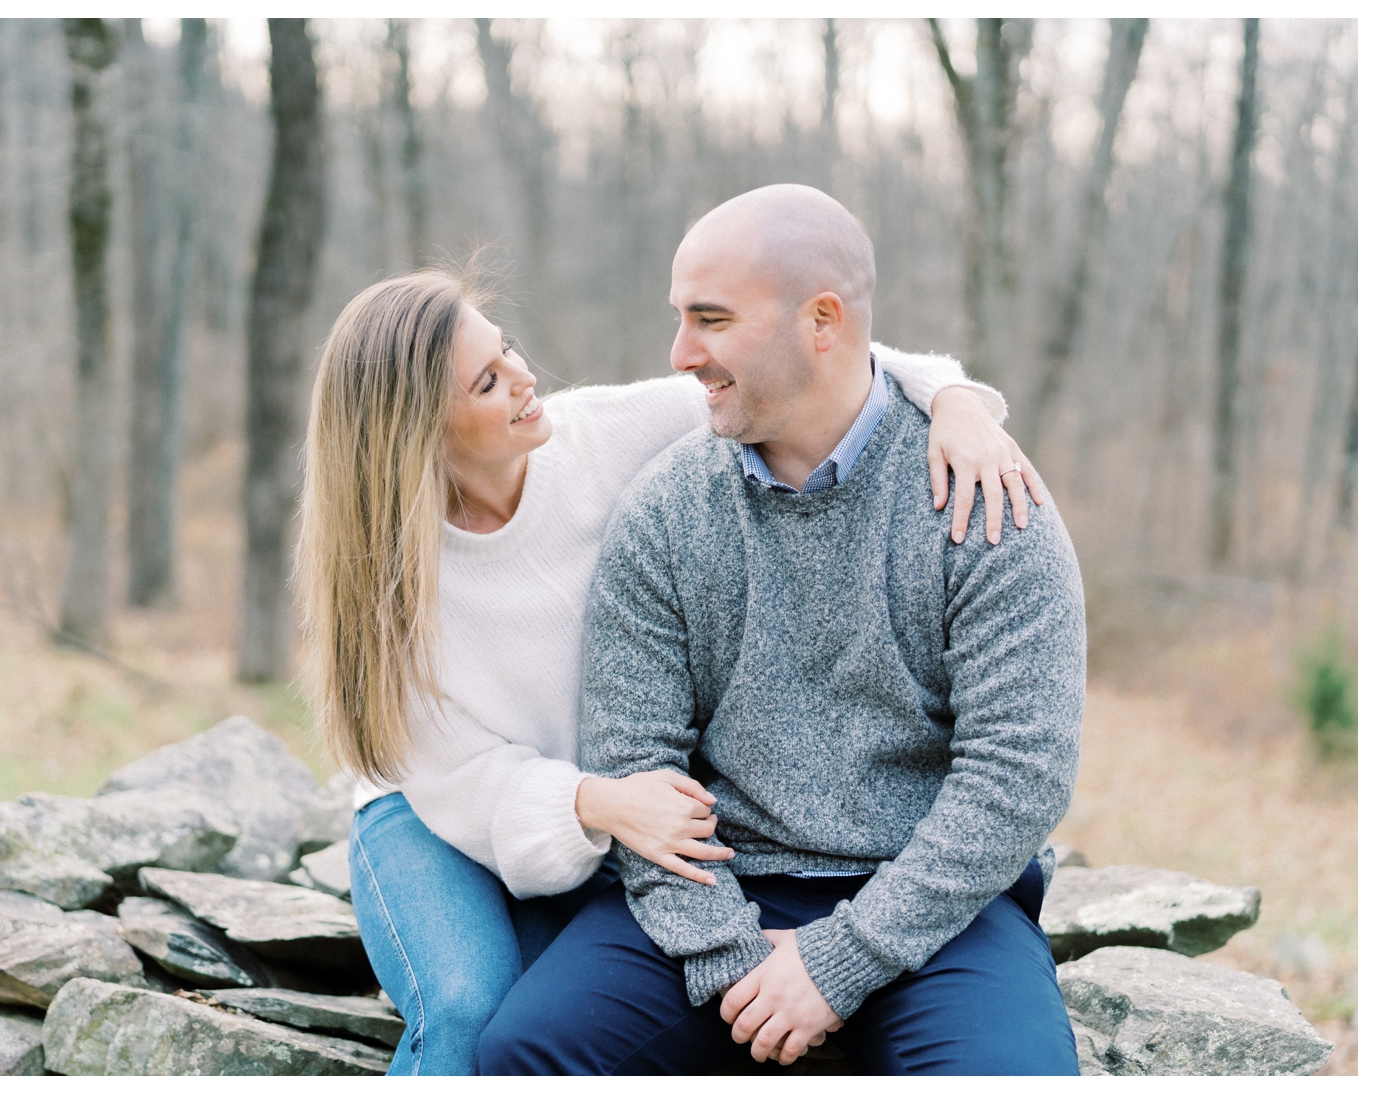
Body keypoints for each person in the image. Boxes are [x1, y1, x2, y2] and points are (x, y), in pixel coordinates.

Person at [296, 261, 1040, 1076]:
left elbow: (800, 375)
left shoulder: (599, 436)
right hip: (441, 816)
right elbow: (458, 778)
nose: (522, 378)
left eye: (506, 348)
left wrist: (956, 402)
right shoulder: (388, 577)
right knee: (472, 1010)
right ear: (417, 431)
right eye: (486, 382)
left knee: (560, 1017)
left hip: (617, 823)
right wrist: (599, 799)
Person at [474, 185, 1085, 1076]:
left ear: (822, 322)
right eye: (680, 318)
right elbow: (635, 764)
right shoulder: (666, 509)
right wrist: (734, 963)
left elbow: (1019, 772)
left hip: (936, 907)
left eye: (710, 320)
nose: (680, 354)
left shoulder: (987, 501)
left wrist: (842, 962)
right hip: (716, 889)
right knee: (524, 1053)